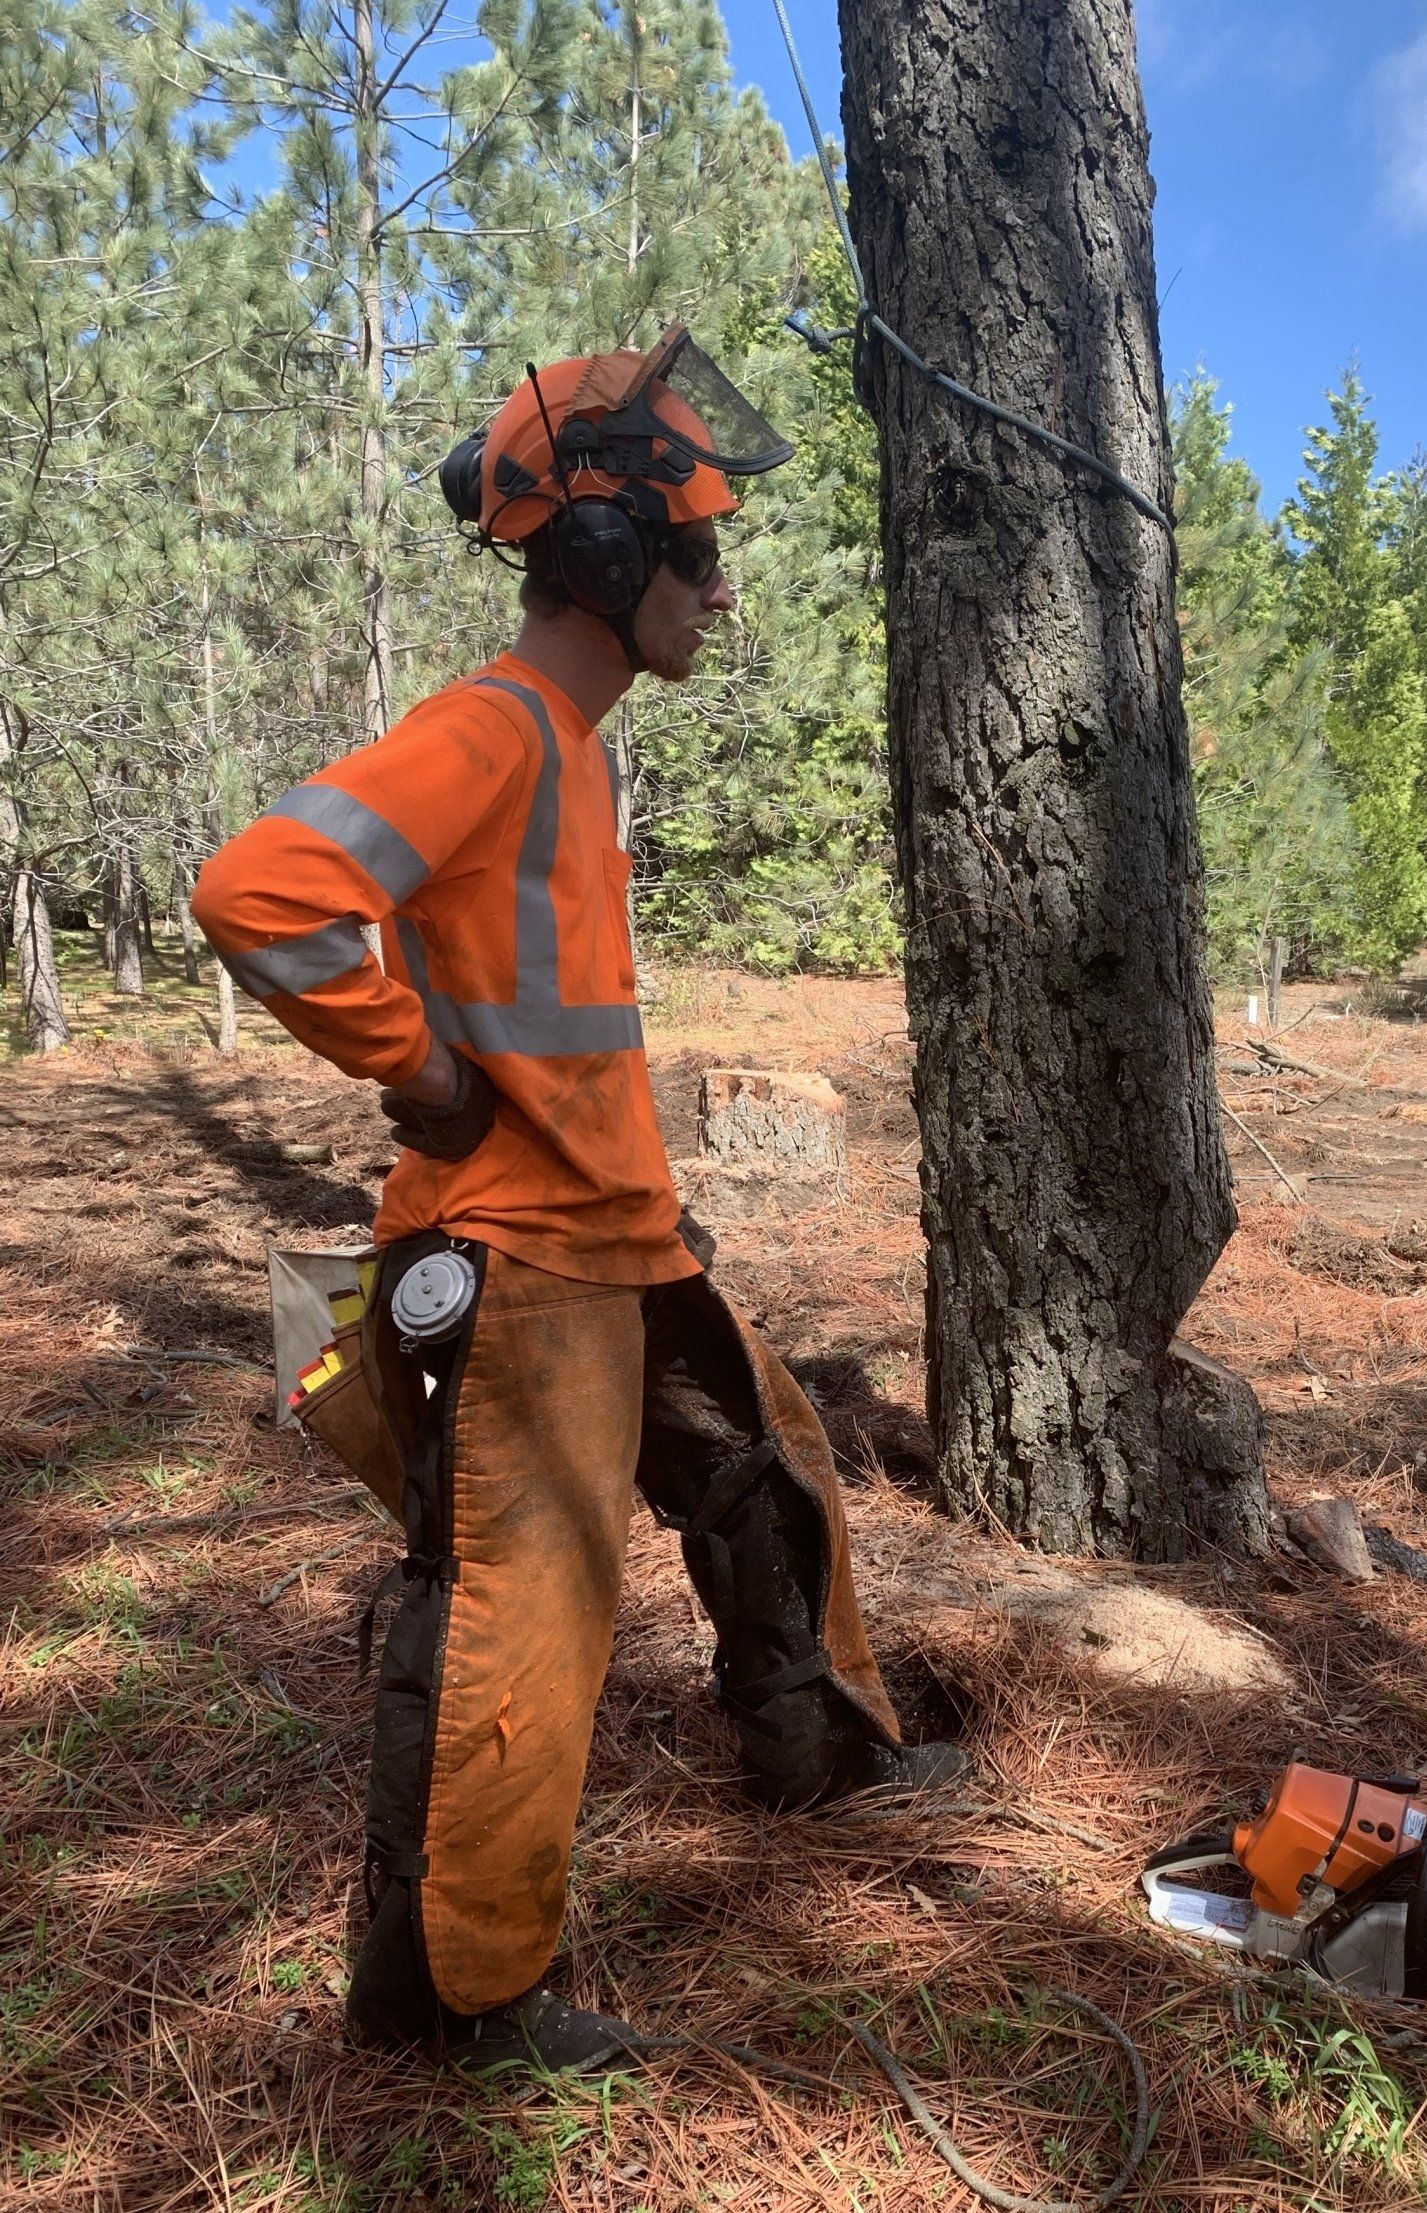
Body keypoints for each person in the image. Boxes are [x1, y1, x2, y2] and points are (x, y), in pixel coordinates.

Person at [193, 333, 960, 2077]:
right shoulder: (493, 727)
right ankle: (452, 1997)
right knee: (515, 1619)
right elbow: (257, 889)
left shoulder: (571, 745)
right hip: (513, 1250)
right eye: (699, 555)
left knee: (763, 1472)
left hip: (614, 1229)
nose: (721, 589)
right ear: (611, 559)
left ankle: (815, 1757)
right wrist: (418, 1069)